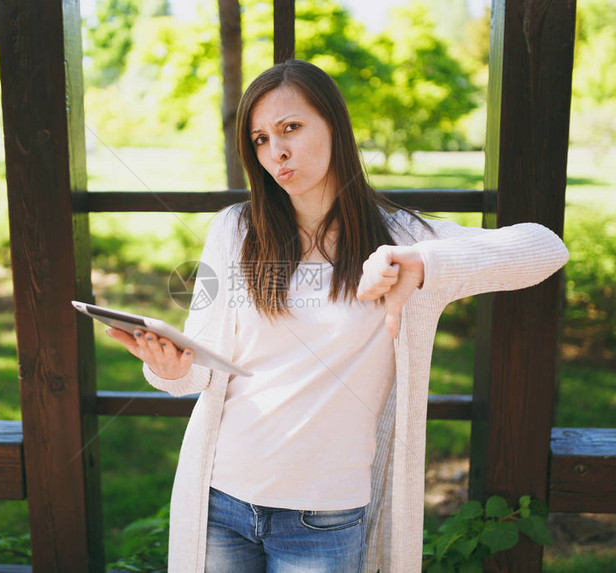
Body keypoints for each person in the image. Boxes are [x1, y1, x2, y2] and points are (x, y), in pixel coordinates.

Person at [107, 59, 568, 573]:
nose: (276, 151)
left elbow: (545, 249)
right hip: (222, 496)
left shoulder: (399, 240)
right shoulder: (236, 230)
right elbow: (200, 370)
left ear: (335, 126)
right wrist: (169, 369)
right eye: (260, 139)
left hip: (322, 516)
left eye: (291, 128)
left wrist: (421, 266)